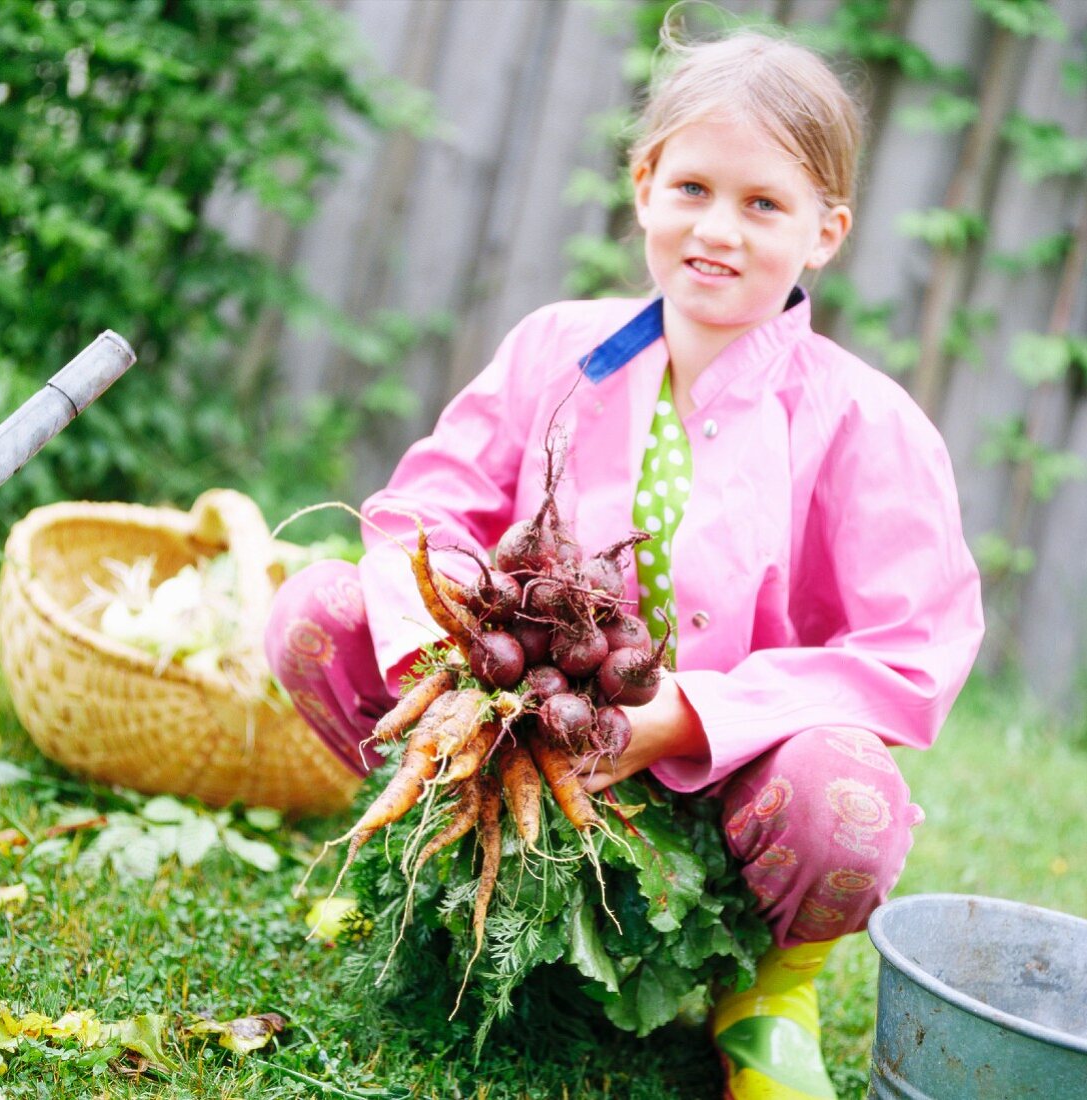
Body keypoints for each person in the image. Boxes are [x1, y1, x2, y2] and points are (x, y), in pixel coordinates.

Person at [265, 26, 984, 1100]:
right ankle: (453, 871)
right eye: (692, 185)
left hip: (725, 777)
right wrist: (463, 672)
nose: (717, 229)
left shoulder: (868, 423)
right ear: (644, 184)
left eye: (763, 204)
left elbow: (912, 654)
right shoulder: (557, 347)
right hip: (528, 746)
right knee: (316, 609)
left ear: (825, 231)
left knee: (851, 799)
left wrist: (683, 717)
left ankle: (765, 994)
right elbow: (426, 505)